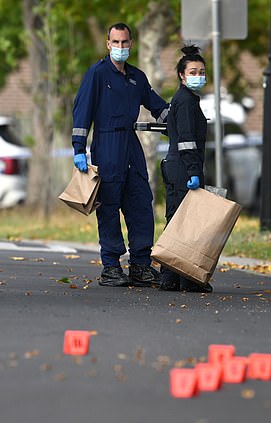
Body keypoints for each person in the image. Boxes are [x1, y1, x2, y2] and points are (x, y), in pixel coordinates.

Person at [72, 22, 170, 287]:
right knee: (109, 206)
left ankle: (140, 265)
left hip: (130, 144)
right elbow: (82, 111)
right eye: (115, 43)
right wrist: (78, 148)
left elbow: (157, 106)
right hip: (107, 144)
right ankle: (111, 268)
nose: (120, 47)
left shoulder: (137, 77)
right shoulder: (97, 74)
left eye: (124, 42)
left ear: (131, 44)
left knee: (140, 204)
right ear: (107, 44)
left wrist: (181, 121)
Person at [159, 45, 212, 293]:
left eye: (201, 71)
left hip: (176, 165)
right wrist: (193, 171)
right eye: (193, 71)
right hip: (183, 167)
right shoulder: (187, 102)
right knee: (187, 225)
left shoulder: (182, 99)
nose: (198, 75)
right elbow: (187, 140)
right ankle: (188, 279)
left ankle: (170, 278)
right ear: (182, 75)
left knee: (175, 222)